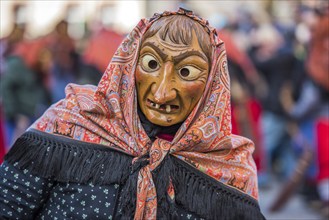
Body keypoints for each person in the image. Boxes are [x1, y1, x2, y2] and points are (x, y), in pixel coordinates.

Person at [0, 9, 265, 219]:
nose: (162, 93)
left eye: (186, 72)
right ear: (128, 66)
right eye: (151, 64)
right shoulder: (71, 120)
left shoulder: (228, 166)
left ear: (212, 85)